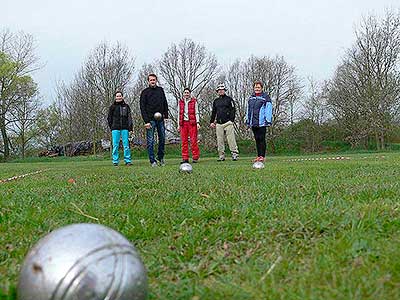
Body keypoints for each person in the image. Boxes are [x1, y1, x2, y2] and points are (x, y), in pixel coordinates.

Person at [140, 74, 169, 167]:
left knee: (162, 139)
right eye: (151, 80)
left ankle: (160, 158)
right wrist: (146, 121)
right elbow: (142, 108)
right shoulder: (144, 92)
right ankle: (152, 161)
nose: (152, 81)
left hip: (160, 119)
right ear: (148, 81)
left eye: (154, 80)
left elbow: (165, 103)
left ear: (156, 80)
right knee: (151, 141)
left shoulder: (161, 90)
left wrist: (166, 116)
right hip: (150, 120)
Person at [210, 83, 239, 161]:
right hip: (219, 124)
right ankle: (221, 155)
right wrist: (212, 121)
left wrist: (231, 120)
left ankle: (234, 154)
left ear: (224, 90)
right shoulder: (216, 101)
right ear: (217, 91)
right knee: (220, 140)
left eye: (222, 90)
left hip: (228, 123)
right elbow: (214, 112)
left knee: (231, 139)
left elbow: (233, 110)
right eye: (219, 90)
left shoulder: (229, 99)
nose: (220, 91)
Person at [245, 81, 273, 162]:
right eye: (255, 87)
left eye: (258, 87)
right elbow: (248, 109)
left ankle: (262, 156)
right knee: (257, 139)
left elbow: (268, 109)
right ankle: (258, 156)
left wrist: (268, 120)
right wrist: (247, 119)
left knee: (261, 139)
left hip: (262, 122)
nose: (257, 89)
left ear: (261, 88)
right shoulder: (251, 98)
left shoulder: (265, 97)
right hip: (253, 122)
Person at [107, 90, 133, 166]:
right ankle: (115, 161)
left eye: (120, 96)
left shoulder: (126, 106)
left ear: (122, 97)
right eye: (117, 96)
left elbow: (129, 118)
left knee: (126, 145)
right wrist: (111, 127)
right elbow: (109, 118)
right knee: (115, 145)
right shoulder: (112, 107)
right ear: (115, 97)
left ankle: (127, 160)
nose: (119, 97)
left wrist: (130, 128)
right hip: (115, 128)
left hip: (125, 128)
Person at [178, 88, 200, 164]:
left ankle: (195, 157)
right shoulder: (180, 102)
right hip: (183, 123)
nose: (186, 94)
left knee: (193, 140)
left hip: (192, 123)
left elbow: (197, 112)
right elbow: (179, 113)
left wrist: (197, 122)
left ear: (190, 94)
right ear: (183, 94)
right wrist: (178, 124)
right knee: (184, 141)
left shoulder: (194, 101)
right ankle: (185, 158)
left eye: (188, 93)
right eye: (185, 93)